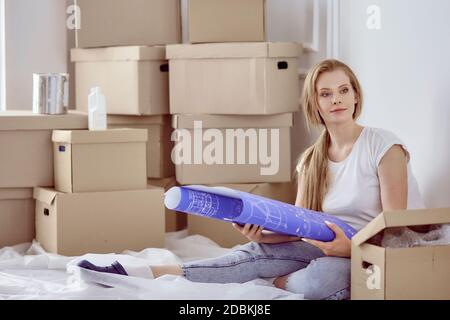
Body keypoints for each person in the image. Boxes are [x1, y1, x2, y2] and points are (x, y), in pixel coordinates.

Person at [76, 59, 425, 300]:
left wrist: (348, 249)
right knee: (252, 251)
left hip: (374, 254)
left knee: (323, 279)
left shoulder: (383, 146)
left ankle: (273, 281)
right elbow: (302, 225)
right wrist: (262, 231)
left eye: (344, 90)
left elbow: (395, 233)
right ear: (314, 104)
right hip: (327, 247)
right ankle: (134, 272)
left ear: (356, 95)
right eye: (326, 93)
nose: (337, 100)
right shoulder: (311, 160)